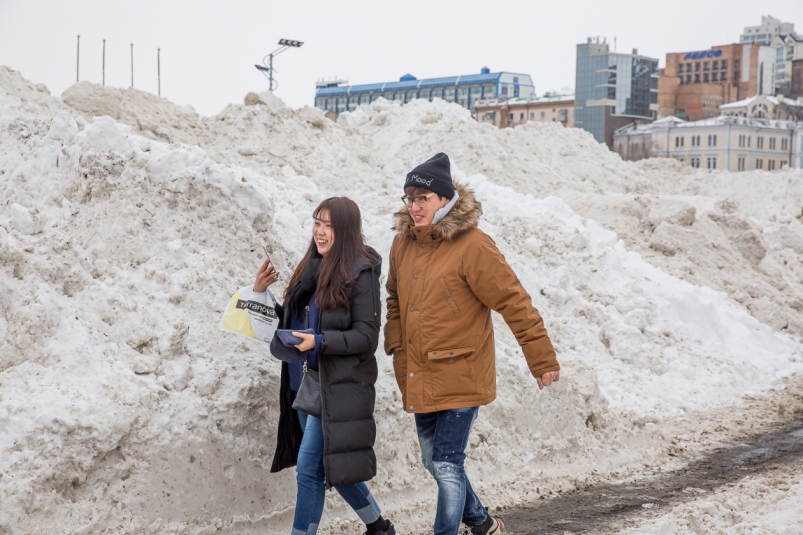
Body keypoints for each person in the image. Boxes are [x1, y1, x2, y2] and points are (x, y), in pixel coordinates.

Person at [384, 153, 561, 535]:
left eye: (422, 199)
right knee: (433, 460)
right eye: (409, 199)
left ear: (444, 200)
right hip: (420, 369)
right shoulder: (403, 244)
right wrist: (396, 341)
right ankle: (480, 522)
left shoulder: (473, 245)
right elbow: (394, 297)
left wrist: (541, 357)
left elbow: (513, 300)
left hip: (462, 370)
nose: (414, 207)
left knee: (447, 463)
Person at [257, 197, 395, 535]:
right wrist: (259, 295)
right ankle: (380, 529)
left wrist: (319, 342)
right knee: (324, 463)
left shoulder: (359, 272)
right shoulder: (311, 266)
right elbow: (295, 321)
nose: (320, 231)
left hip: (334, 386)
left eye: (329, 225)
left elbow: (366, 336)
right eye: (317, 222)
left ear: (345, 230)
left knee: (308, 470)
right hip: (302, 382)